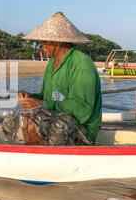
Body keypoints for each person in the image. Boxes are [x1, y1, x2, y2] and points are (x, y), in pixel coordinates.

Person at [8, 12, 102, 145]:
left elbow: (82, 109)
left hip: (82, 129)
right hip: (55, 115)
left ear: (59, 41)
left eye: (45, 41)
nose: (41, 44)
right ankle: (38, 152)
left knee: (31, 125)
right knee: (11, 122)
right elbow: (47, 96)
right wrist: (31, 97)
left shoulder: (82, 64)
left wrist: (41, 104)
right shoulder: (52, 62)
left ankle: (42, 156)